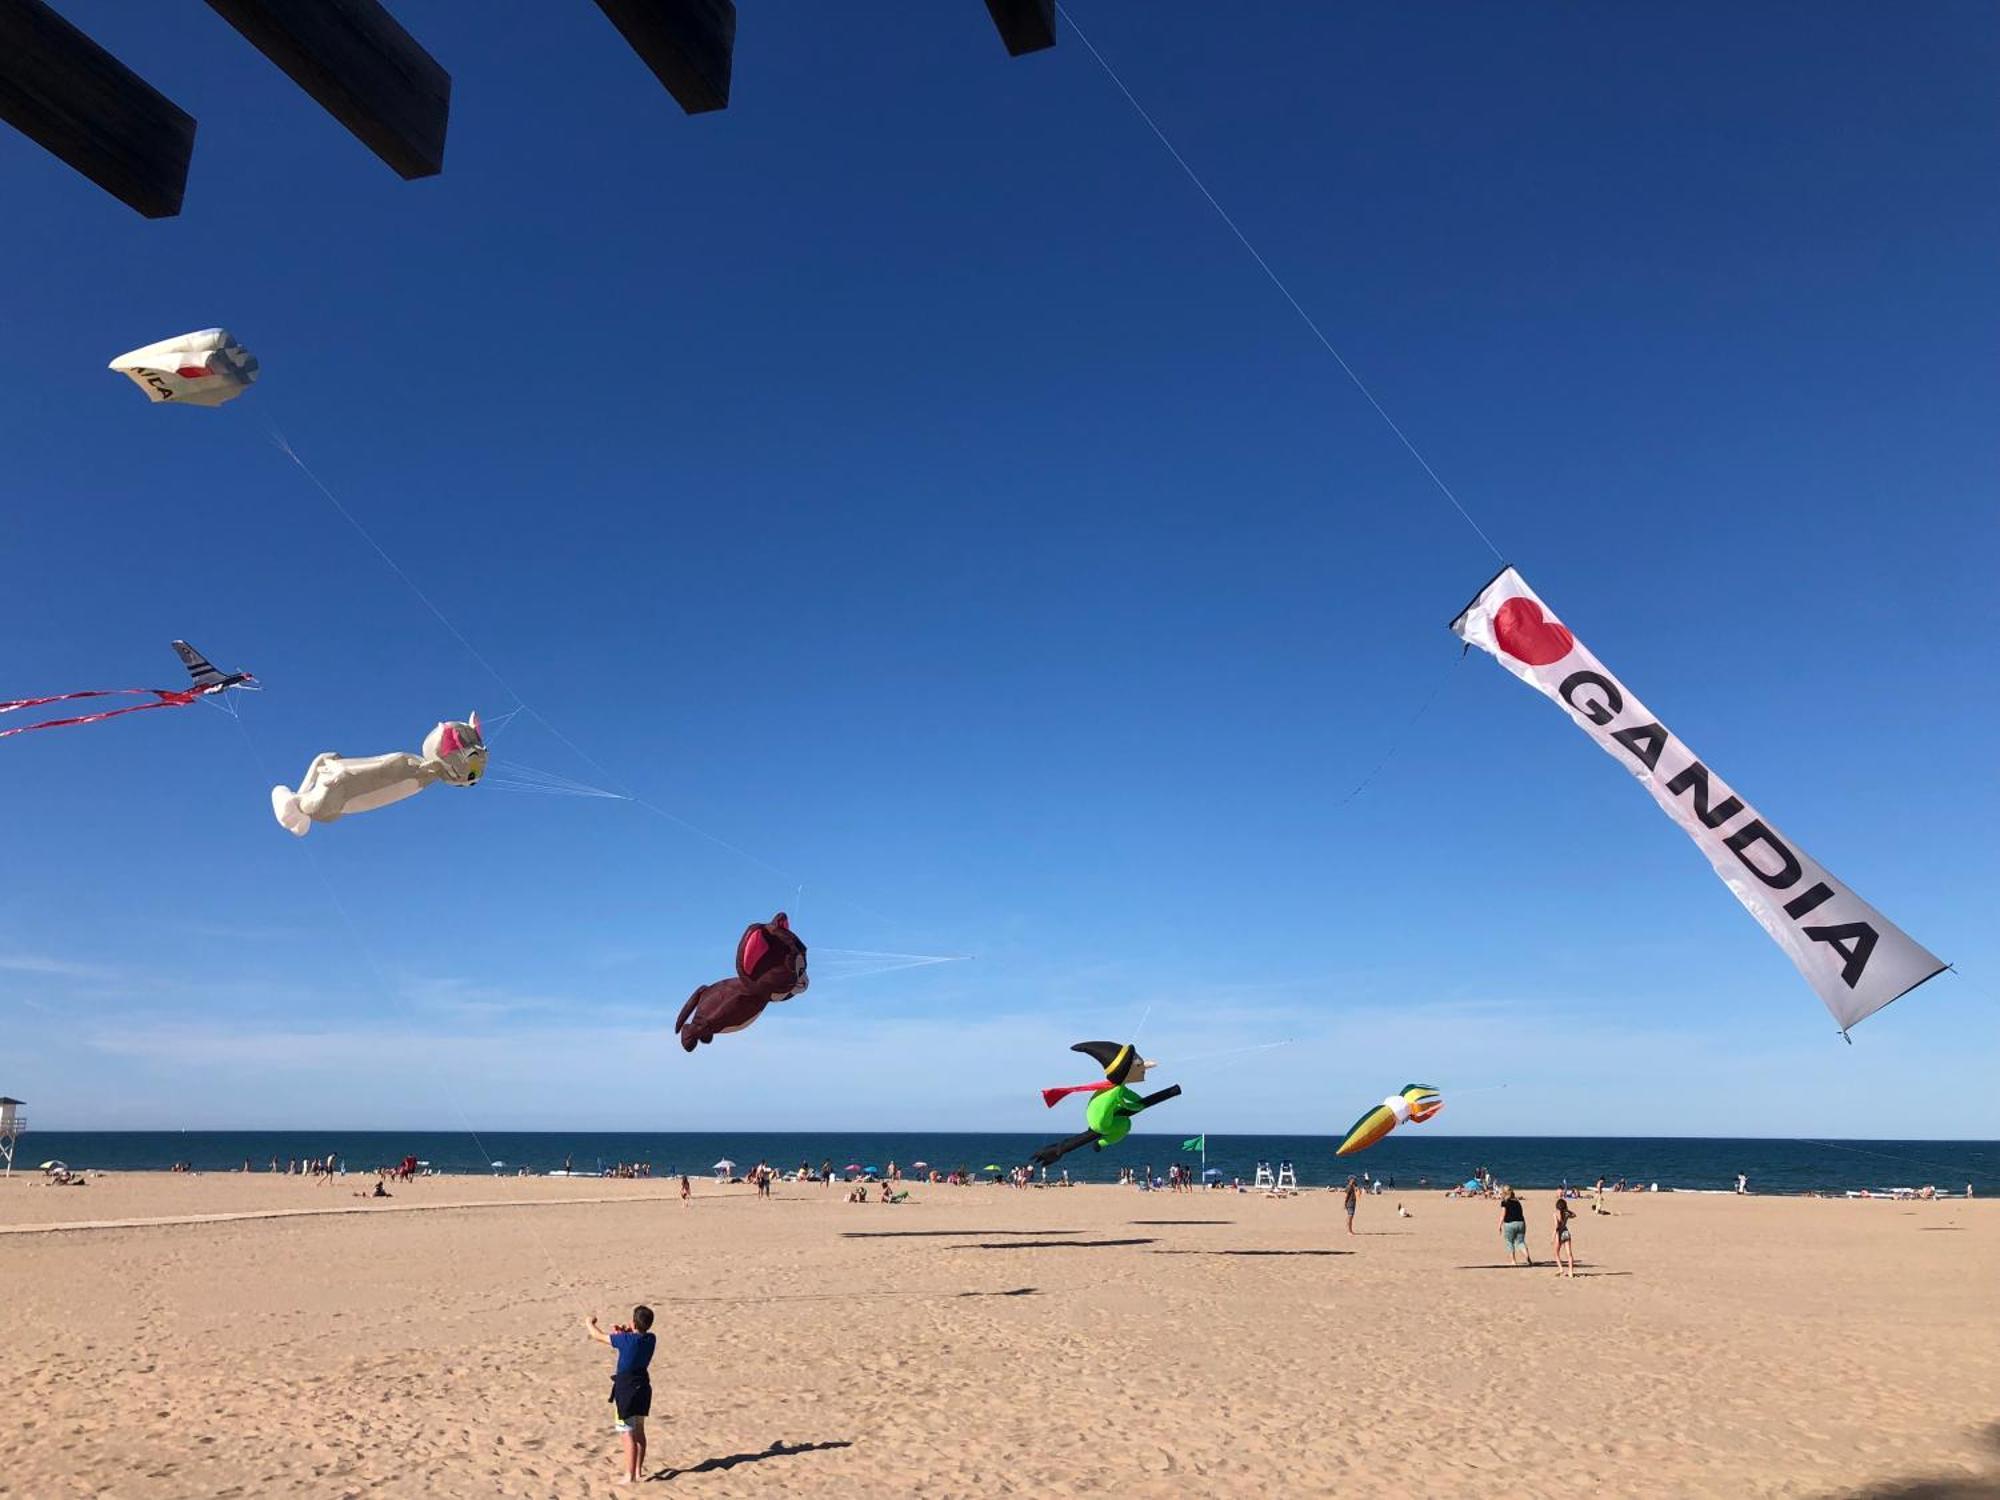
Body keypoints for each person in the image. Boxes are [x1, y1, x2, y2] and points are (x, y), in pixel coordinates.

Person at [585, 1306, 654, 1484]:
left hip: (626, 1390)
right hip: (643, 1388)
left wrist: (588, 1323)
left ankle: (629, 1475)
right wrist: (626, 1331)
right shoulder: (651, 1338)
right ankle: (638, 1471)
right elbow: (636, 1336)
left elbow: (597, 1336)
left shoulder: (626, 1340)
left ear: (634, 1322)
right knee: (639, 1431)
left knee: (627, 1434)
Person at [1499, 1188, 1530, 1266]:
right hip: (1521, 1223)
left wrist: (1499, 1225)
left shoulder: (1504, 1202)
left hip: (1510, 1224)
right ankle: (1527, 1257)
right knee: (1521, 1242)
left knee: (1509, 1242)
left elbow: (1503, 1214)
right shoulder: (1517, 1202)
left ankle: (1513, 1261)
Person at [1554, 1196, 1576, 1277]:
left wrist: (1554, 1236)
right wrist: (1567, 1210)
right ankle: (1571, 1272)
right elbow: (1574, 1215)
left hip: (1560, 1233)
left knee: (1556, 1253)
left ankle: (1561, 1269)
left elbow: (1556, 1226)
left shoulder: (1555, 1213)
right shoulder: (1566, 1213)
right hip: (1566, 1232)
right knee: (1569, 1253)